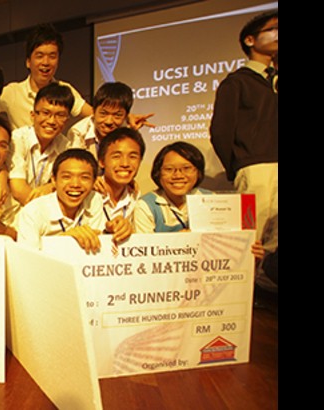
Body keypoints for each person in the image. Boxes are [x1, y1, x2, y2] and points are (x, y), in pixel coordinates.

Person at [0, 25, 152, 133]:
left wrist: (127, 116)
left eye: (52, 56)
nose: (46, 62)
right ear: (28, 61)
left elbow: (97, 113)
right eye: (40, 56)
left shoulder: (64, 90)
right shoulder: (11, 92)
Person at [209, 10, 277, 290]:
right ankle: (245, 296)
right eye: (272, 30)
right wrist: (239, 164)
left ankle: (269, 290)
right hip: (255, 168)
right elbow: (221, 132)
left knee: (274, 242)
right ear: (250, 40)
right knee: (253, 239)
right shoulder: (237, 82)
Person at [133, 142, 264, 257]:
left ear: (198, 172)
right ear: (158, 173)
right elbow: (144, 254)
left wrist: (249, 254)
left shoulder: (211, 199)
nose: (178, 175)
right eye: (169, 169)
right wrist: (176, 243)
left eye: (186, 168)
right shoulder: (145, 205)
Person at [16, 148, 127, 254]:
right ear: (54, 180)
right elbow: (27, 261)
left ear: (94, 182)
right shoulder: (33, 212)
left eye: (84, 178)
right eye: (67, 177)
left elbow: (96, 244)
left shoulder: (94, 200)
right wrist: (64, 241)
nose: (75, 184)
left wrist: (114, 231)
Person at [8, 83, 78, 205]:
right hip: (11, 214)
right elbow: (18, 190)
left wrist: (51, 186)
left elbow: (69, 185)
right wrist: (54, 187)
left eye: (60, 115)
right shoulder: (17, 139)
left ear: (67, 121)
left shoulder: (66, 147)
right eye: (46, 113)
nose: (51, 121)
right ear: (33, 115)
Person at [96, 127, 145, 240]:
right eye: (116, 156)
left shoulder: (135, 195)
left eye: (133, 156)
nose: (125, 163)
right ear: (101, 161)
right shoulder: (90, 192)